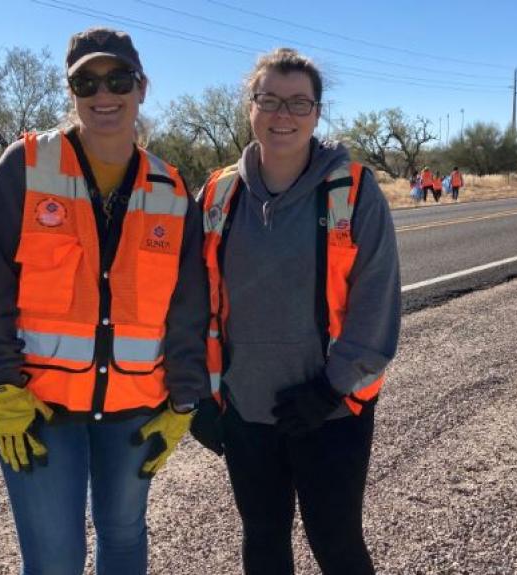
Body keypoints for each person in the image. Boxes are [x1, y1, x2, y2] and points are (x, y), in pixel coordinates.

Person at [0, 27, 209, 575]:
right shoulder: (24, 167)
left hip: (136, 409)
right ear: (70, 90)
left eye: (118, 79)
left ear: (142, 87)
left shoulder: (171, 189)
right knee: (54, 560)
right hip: (39, 407)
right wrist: (3, 386)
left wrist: (184, 401)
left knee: (124, 540)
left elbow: (188, 308)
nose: (103, 94)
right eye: (86, 81)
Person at [190, 48, 401, 575]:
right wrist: (201, 395)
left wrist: (332, 388)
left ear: (317, 112)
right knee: (262, 540)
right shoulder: (217, 193)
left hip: (330, 409)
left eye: (298, 103)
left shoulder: (352, 190)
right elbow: (192, 300)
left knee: (337, 545)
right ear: (250, 106)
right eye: (270, 100)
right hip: (245, 408)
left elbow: (377, 298)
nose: (283, 115)